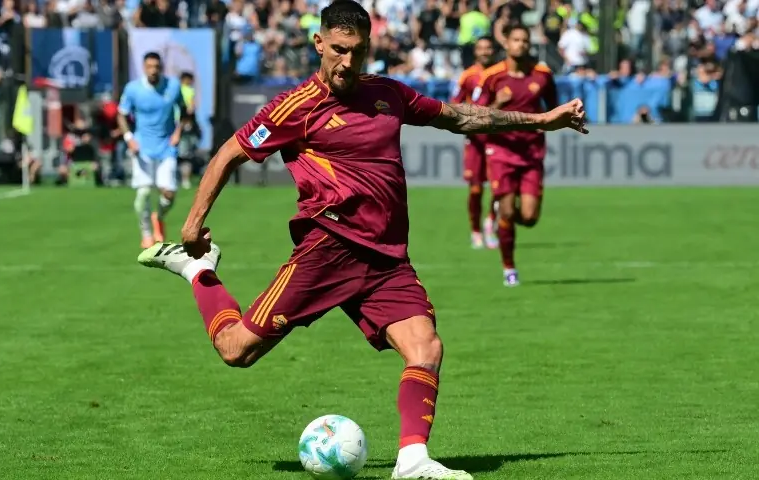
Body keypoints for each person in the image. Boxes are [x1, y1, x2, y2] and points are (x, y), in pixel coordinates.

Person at [137, 2, 585, 479]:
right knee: (236, 350)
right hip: (327, 251)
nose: (348, 62)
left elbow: (459, 117)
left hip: (387, 259)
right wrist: (193, 223)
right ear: (319, 44)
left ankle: (412, 461)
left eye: (359, 51)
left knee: (426, 348)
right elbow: (230, 151)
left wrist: (540, 122)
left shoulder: (387, 94)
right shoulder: (295, 107)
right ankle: (197, 271)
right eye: (339, 50)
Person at [475, 24, 558, 287]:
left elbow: (554, 107)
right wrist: (498, 103)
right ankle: (509, 268)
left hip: (532, 150)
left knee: (530, 218)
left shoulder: (543, 74)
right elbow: (475, 113)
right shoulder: (492, 76)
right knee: (509, 213)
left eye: (525, 40)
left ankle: (499, 215)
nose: (520, 44)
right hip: (501, 150)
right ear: (507, 44)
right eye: (516, 40)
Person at [118, 51, 184, 248]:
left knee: (169, 193)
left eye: (157, 67)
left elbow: (185, 110)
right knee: (144, 193)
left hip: (166, 147)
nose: (153, 70)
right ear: (144, 68)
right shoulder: (133, 89)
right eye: (150, 67)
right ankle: (146, 233)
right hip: (142, 149)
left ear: (161, 68)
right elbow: (121, 115)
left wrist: (178, 132)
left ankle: (159, 217)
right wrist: (129, 138)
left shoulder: (173, 86)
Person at [450, 35, 498, 250]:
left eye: (488, 48)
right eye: (481, 48)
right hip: (476, 140)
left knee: (500, 189)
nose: (485, 52)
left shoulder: (501, 73)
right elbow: (455, 103)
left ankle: (490, 225)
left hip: (499, 139)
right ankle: (475, 230)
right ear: (476, 51)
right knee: (476, 189)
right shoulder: (468, 76)